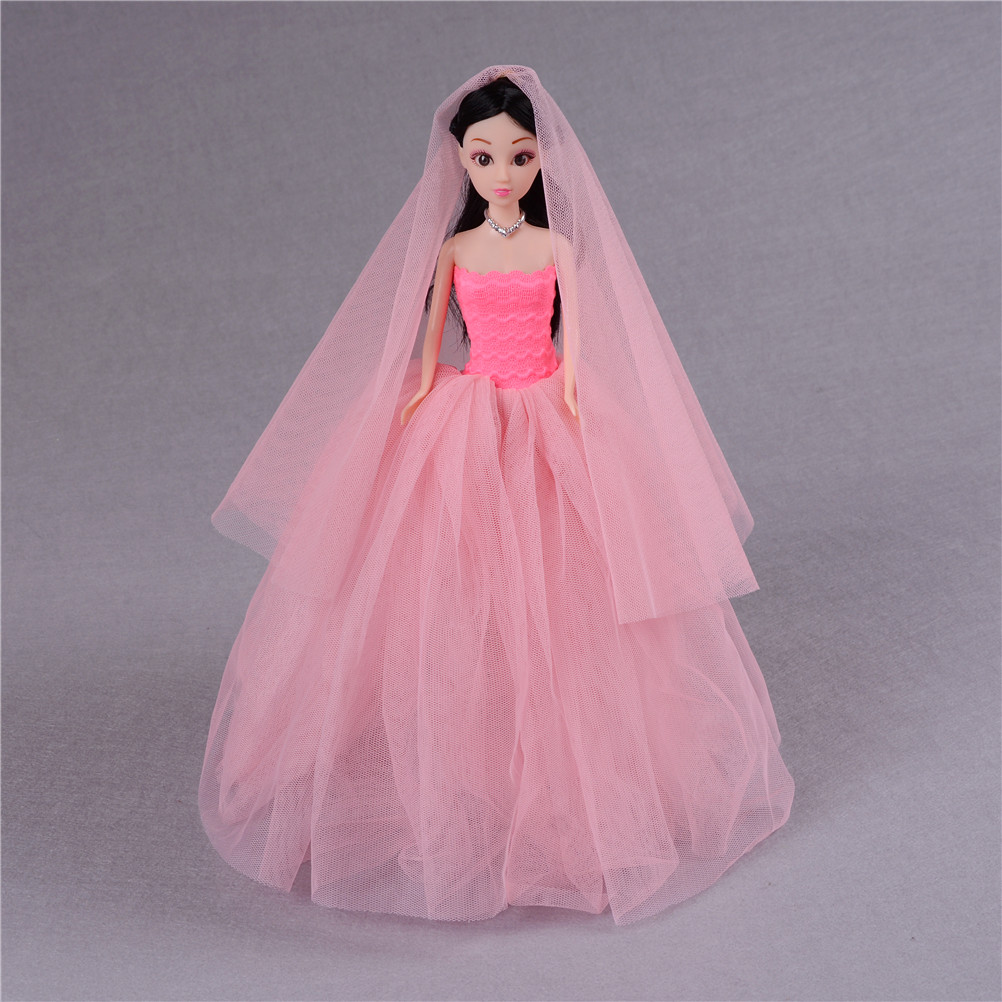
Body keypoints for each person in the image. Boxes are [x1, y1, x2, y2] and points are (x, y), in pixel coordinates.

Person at [199, 65, 794, 926]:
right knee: (457, 589)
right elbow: (430, 334)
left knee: (565, 595)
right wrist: (415, 397)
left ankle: (569, 780)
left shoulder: (558, 249)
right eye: (483, 158)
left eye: (519, 156)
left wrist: (575, 392)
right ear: (460, 162)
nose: (502, 173)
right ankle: (467, 756)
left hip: (548, 410)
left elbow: (577, 335)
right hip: (467, 420)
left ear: (542, 159)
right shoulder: (454, 251)